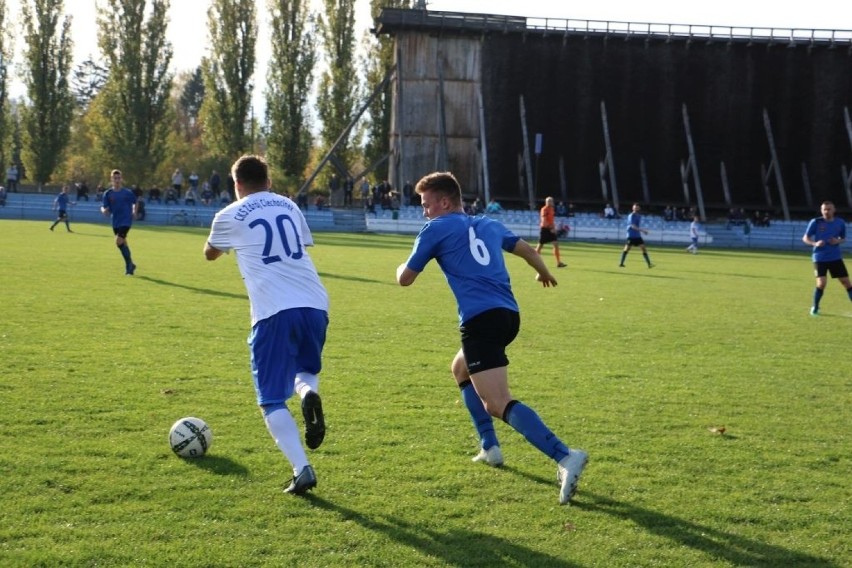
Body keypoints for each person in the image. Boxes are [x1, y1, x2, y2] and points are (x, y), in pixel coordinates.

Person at [395, 171, 588, 505]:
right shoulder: (488, 224)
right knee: (460, 369)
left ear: (444, 201)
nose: (423, 211)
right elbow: (526, 249)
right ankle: (490, 448)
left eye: (426, 204)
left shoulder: (435, 228)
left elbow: (406, 279)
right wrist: (543, 273)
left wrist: (400, 266)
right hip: (508, 316)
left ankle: (564, 455)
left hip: (480, 321)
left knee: (496, 401)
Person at [204, 154, 329, 496]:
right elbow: (300, 246)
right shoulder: (289, 205)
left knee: (271, 399)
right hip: (316, 303)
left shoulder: (228, 215)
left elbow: (210, 253)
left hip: (273, 310)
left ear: (236, 185)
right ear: (269, 181)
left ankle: (302, 469)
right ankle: (308, 392)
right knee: (304, 369)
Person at [802, 201, 852, 316]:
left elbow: (843, 238)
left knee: (846, 283)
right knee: (821, 283)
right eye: (824, 209)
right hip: (819, 257)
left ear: (834, 210)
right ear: (821, 210)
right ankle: (815, 307)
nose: (826, 212)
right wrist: (815, 243)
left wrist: (837, 241)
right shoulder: (816, 222)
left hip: (835, 257)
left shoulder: (840, 223)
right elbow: (805, 238)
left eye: (829, 209)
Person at [100, 169, 138, 275]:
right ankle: (131, 264)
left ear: (121, 179)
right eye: (115, 178)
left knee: (118, 241)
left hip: (126, 220)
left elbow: (135, 202)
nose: (117, 180)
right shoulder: (108, 193)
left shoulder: (127, 193)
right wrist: (104, 210)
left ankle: (128, 266)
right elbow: (104, 206)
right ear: (111, 179)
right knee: (123, 242)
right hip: (116, 221)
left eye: (118, 178)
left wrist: (134, 211)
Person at [535, 196, 567, 268]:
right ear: (546, 202)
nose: (550, 202)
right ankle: (533, 259)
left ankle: (559, 262)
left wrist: (554, 228)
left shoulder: (552, 209)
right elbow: (544, 220)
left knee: (556, 244)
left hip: (551, 229)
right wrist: (551, 228)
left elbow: (551, 220)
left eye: (551, 201)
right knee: (540, 246)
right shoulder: (544, 209)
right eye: (549, 201)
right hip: (545, 229)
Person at [619, 203, 654, 268]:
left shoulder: (639, 216)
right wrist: (643, 231)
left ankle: (649, 264)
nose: (636, 209)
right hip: (631, 235)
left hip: (637, 236)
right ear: (632, 208)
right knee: (626, 249)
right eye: (635, 208)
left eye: (637, 208)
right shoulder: (631, 215)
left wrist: (641, 231)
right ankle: (621, 263)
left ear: (639, 208)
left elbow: (636, 226)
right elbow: (633, 226)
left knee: (643, 248)